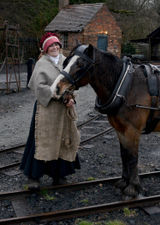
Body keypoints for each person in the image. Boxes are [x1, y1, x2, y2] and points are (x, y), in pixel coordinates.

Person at [20, 32, 80, 190]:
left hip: (64, 110)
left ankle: (59, 176)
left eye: (56, 45)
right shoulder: (42, 64)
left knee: (63, 140)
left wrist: (72, 98)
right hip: (47, 109)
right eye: (51, 46)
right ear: (45, 49)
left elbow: (73, 82)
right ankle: (34, 177)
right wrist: (59, 95)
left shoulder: (66, 61)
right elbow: (38, 88)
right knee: (41, 141)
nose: (54, 47)